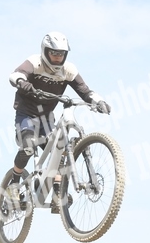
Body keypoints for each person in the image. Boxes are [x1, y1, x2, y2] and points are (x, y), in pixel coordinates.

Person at [7, 31, 110, 212]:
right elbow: (16, 74)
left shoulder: (68, 69)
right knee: (28, 146)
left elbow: (84, 91)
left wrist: (98, 101)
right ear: (45, 51)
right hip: (27, 114)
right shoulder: (35, 62)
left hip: (47, 117)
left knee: (60, 150)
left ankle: (57, 192)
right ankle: (13, 184)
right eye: (53, 53)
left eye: (61, 54)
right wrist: (22, 82)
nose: (57, 57)